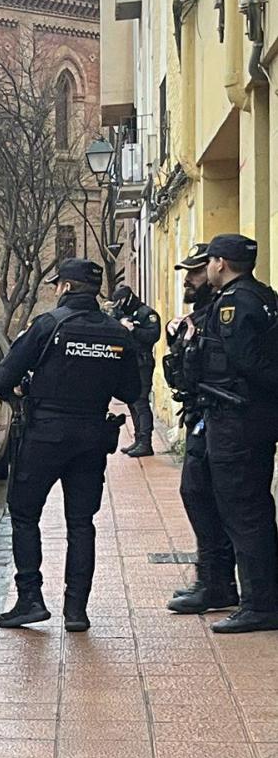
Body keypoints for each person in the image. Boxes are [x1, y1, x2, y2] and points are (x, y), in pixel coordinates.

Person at [0, 258, 140, 633]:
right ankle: (76, 610)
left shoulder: (47, 325)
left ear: (67, 288)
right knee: (81, 522)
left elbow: (2, 378)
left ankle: (30, 599)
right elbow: (131, 391)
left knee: (25, 515)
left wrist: (21, 392)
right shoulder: (116, 332)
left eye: (58, 284)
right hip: (92, 436)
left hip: (44, 434)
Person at [196, 233, 278, 633]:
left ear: (221, 263)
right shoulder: (265, 295)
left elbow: (246, 361)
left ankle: (260, 604)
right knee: (253, 507)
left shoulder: (233, 304)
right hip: (253, 417)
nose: (207, 267)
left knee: (244, 510)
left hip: (237, 419)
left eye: (210, 260)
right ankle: (257, 597)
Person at [162, 242, 239, 614]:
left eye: (195, 272)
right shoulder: (202, 314)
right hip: (201, 414)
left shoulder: (224, 310)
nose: (188, 280)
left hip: (220, 418)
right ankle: (214, 581)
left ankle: (216, 583)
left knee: (209, 496)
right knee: (197, 493)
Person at [111, 285, 163, 457]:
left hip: (142, 362)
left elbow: (153, 336)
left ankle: (146, 442)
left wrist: (133, 329)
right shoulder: (121, 314)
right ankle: (138, 439)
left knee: (140, 401)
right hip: (127, 362)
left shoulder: (147, 314)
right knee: (132, 401)